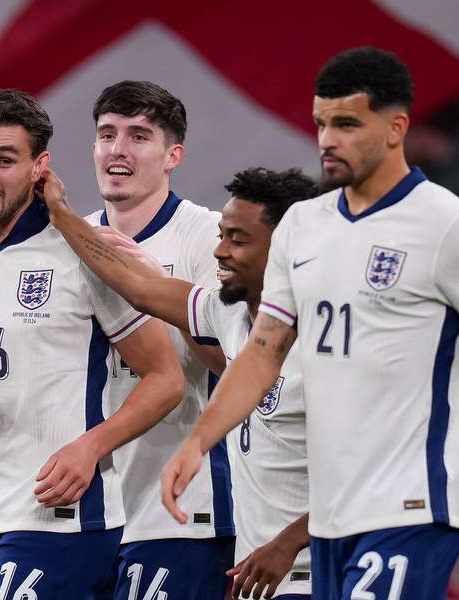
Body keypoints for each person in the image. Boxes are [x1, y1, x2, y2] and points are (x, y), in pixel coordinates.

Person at [160, 46, 459, 599]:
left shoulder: (442, 224)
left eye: (346, 124)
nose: (327, 139)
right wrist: (199, 442)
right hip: (328, 522)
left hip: (407, 507)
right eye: (321, 123)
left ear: (397, 128)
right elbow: (263, 350)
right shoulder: (303, 225)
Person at [0, 88, 185, 600]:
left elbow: (166, 379)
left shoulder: (84, 250)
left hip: (67, 520)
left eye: (4, 160)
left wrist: (91, 447)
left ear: (39, 167)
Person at [41, 164, 317, 598]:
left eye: (238, 240)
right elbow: (138, 286)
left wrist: (287, 544)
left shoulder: (326, 348)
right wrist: (62, 215)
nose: (220, 251)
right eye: (222, 234)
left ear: (284, 249)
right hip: (259, 579)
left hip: (319, 575)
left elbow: (368, 471)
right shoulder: (227, 315)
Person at [83, 80, 234, 600]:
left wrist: (158, 292)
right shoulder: (70, 240)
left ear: (173, 155)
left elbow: (237, 365)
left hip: (183, 511)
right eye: (107, 134)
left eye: (139, 136)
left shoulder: (211, 237)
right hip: (87, 511)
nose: (118, 149)